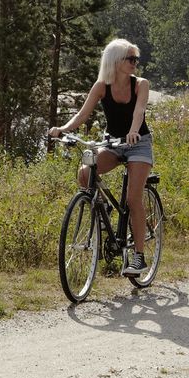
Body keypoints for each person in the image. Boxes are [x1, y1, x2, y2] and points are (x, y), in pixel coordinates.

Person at [50, 38, 153, 275]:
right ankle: (102, 207)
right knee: (85, 174)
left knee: (132, 198)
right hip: (113, 143)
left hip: (138, 144)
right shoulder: (101, 86)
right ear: (116, 61)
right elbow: (82, 115)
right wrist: (63, 130)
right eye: (130, 59)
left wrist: (134, 132)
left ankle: (139, 257)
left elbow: (139, 111)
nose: (135, 63)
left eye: (136, 59)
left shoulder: (141, 85)